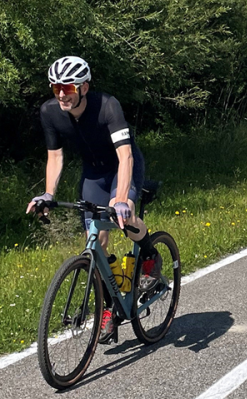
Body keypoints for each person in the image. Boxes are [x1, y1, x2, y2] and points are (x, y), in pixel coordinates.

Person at [27, 55, 161, 344]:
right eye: (56, 88)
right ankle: (110, 308)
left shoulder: (107, 106)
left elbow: (125, 156)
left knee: (123, 218)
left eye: (68, 88)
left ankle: (150, 254)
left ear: (84, 88)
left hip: (123, 166)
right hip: (93, 175)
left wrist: (121, 198)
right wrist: (49, 194)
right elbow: (55, 156)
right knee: (95, 240)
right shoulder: (50, 112)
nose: (62, 94)